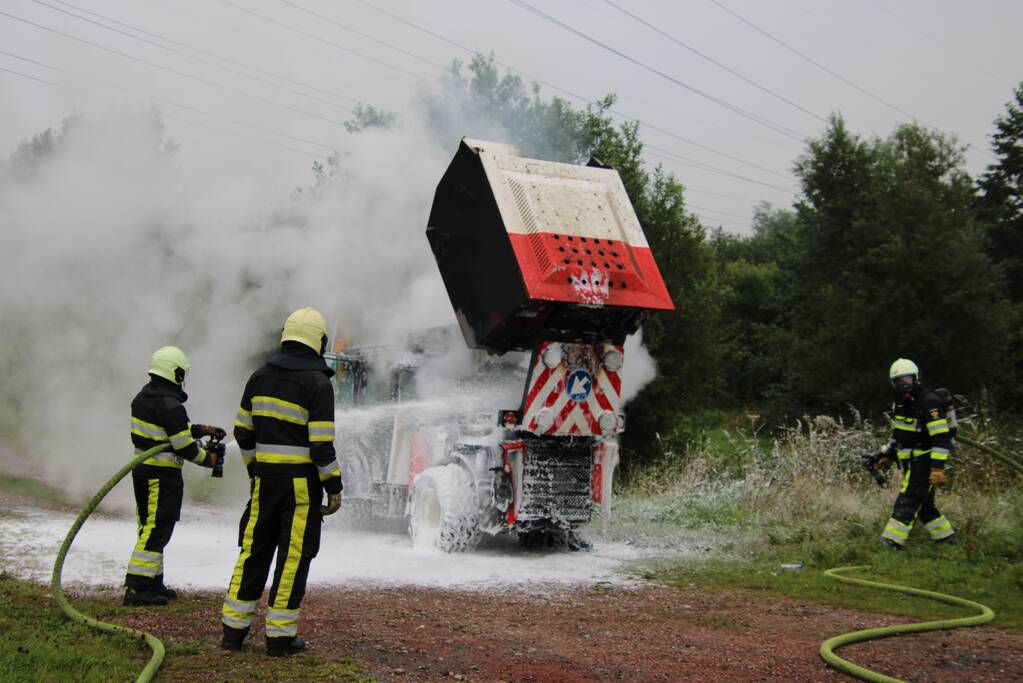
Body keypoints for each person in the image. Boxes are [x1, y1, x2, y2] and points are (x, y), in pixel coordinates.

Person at [220, 307, 343, 656]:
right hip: (300, 487)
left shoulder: (258, 377)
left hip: (265, 482)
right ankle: (279, 637)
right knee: (292, 557)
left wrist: (254, 470)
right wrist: (334, 487)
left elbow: (242, 433)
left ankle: (232, 632)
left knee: (253, 551)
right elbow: (321, 445)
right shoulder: (318, 384)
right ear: (319, 341)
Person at [125, 346, 226, 606]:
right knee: (158, 527)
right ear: (177, 373)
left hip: (144, 471)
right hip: (162, 475)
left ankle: (152, 582)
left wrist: (200, 429)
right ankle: (138, 589)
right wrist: (209, 459)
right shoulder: (171, 405)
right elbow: (184, 447)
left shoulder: (145, 397)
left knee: (149, 526)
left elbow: (169, 430)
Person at [871, 358, 956, 549]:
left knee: (908, 499)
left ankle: (891, 541)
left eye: (907, 379)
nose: (904, 384)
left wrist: (937, 469)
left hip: (925, 460)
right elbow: (899, 435)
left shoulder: (929, 402)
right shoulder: (899, 404)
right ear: (893, 383)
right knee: (925, 506)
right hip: (909, 460)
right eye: (899, 380)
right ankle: (946, 539)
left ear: (916, 378)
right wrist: (889, 456)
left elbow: (941, 439)